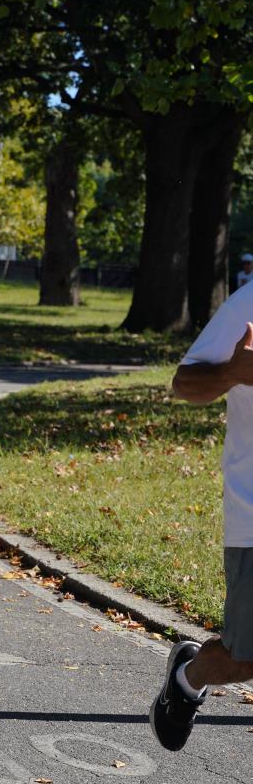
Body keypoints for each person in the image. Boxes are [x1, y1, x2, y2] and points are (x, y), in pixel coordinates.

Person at [149, 297, 253, 750]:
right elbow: (185, 383)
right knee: (245, 659)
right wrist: (233, 373)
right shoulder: (249, 303)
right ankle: (187, 678)